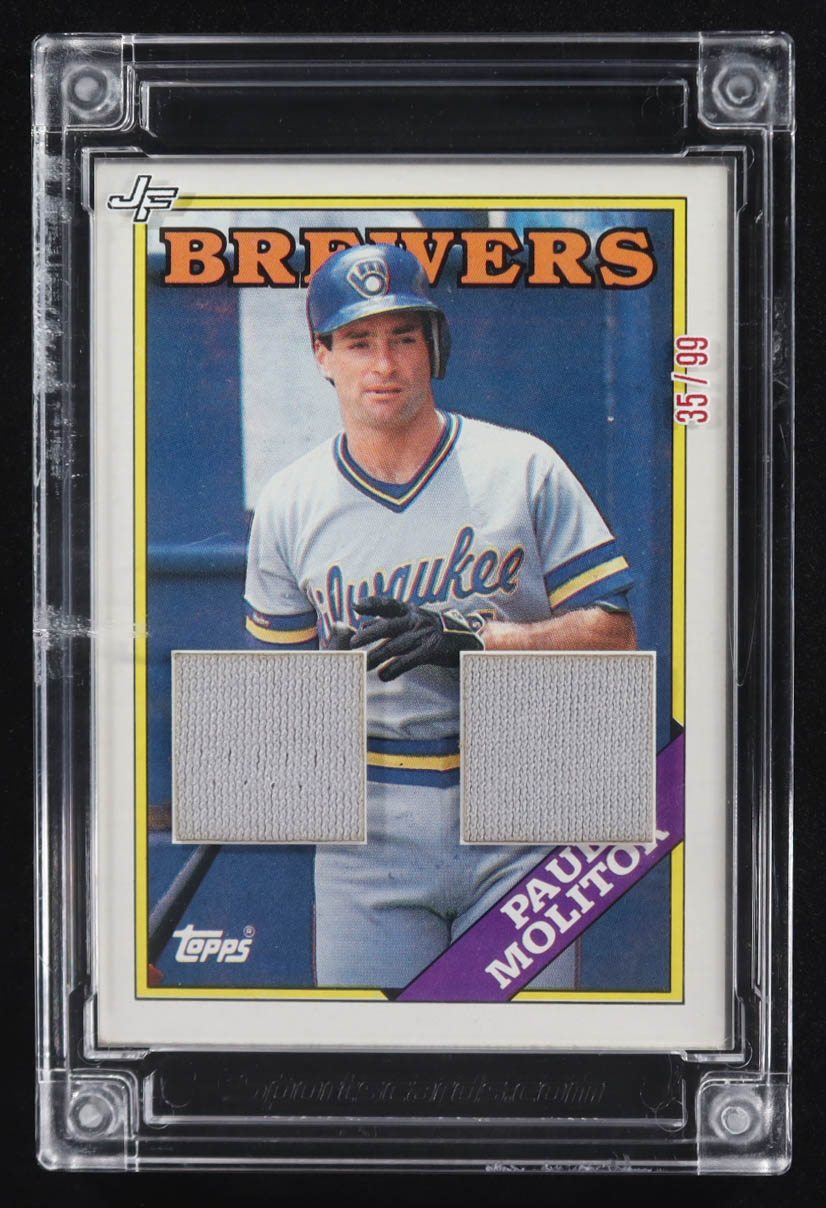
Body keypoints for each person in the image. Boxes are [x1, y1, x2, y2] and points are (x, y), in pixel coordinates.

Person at [244, 243, 635, 990]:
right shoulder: (289, 501)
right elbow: (278, 703)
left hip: (525, 796)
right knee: (375, 1052)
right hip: (369, 826)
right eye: (359, 342)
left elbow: (616, 637)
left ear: (435, 346)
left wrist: (478, 638)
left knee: (529, 1055)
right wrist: (297, 710)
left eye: (404, 337)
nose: (384, 364)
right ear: (322, 355)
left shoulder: (522, 466)